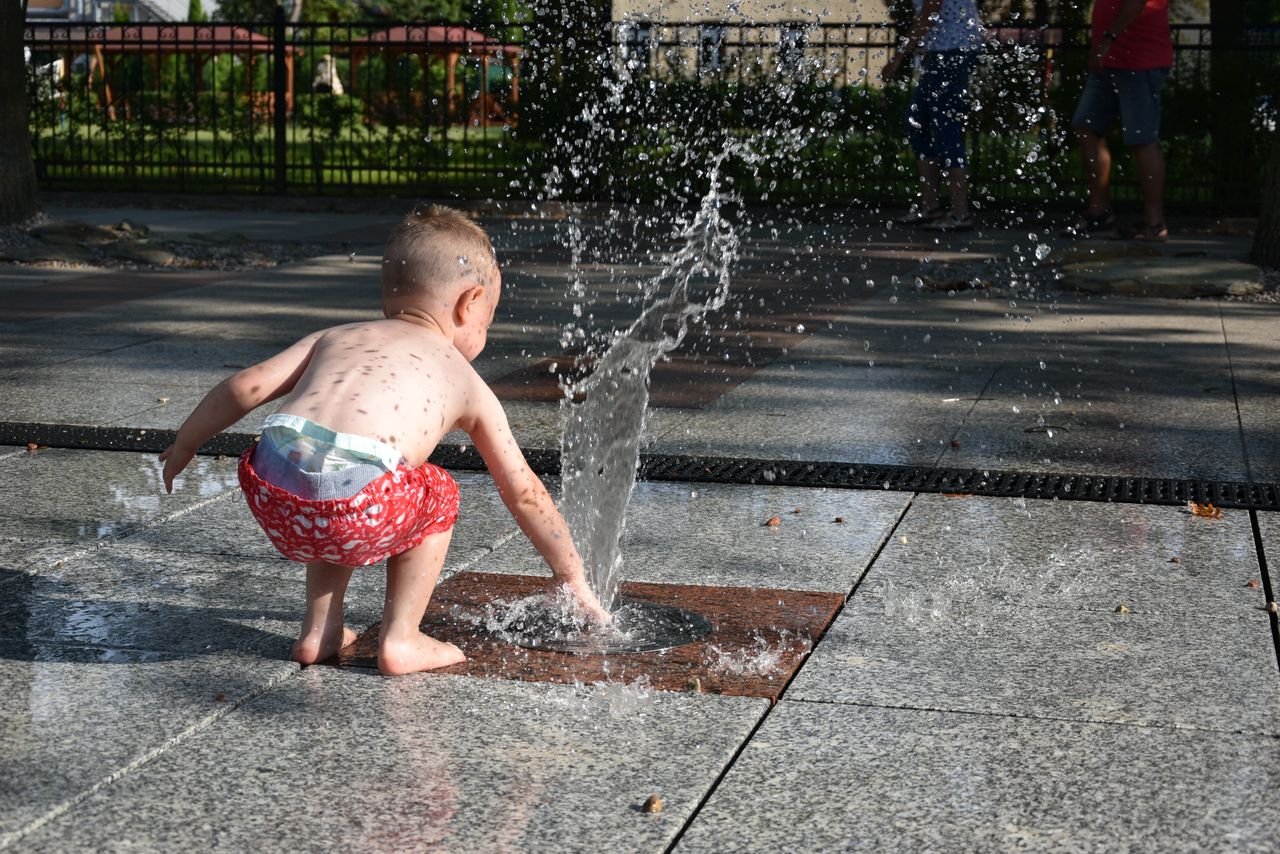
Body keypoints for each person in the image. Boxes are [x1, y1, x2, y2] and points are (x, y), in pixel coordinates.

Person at [159, 205, 608, 676]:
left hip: (272, 489)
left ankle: (319, 631)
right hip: (354, 500)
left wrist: (187, 442)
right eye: (488, 321)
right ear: (468, 303)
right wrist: (569, 573)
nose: (485, 333)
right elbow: (523, 491)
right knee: (434, 490)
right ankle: (402, 638)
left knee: (331, 462)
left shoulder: (335, 336)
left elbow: (244, 387)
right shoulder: (464, 379)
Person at [1068, 0, 1173, 241]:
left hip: (1140, 60)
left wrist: (1106, 41)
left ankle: (1154, 223)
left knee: (1143, 139)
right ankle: (1099, 211)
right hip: (1108, 61)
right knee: (1086, 127)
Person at [881, 0, 985, 232]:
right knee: (917, 121)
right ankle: (931, 206)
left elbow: (930, 12)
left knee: (945, 127)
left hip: (952, 52)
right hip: (945, 51)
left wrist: (898, 58)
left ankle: (960, 213)